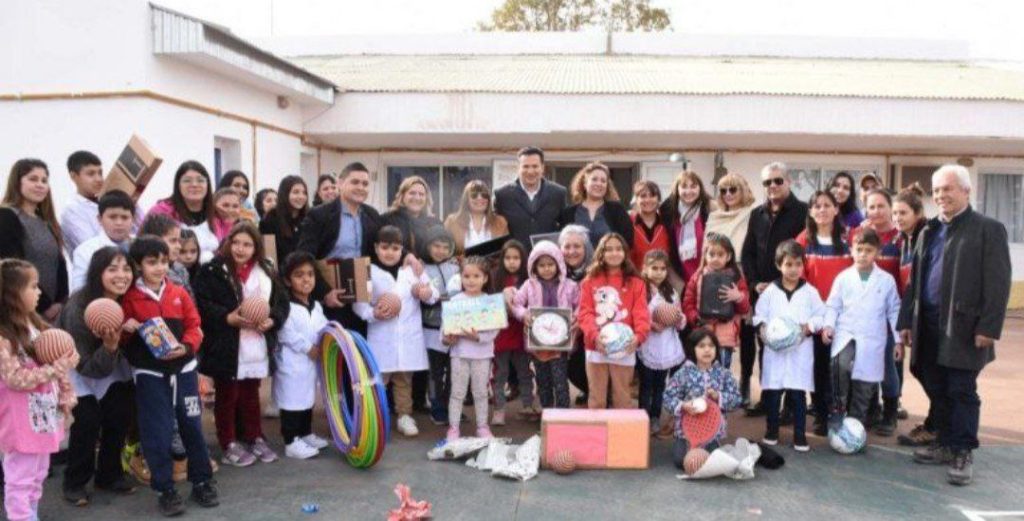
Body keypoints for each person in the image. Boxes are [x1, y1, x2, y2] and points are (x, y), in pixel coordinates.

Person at [899, 165, 1011, 486]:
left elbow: (998, 283)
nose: (941, 196)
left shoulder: (988, 229)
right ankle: (946, 443)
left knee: (961, 389)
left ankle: (962, 450)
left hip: (964, 327)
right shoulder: (928, 230)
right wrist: (906, 320)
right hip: (928, 325)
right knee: (935, 384)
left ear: (966, 191)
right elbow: (914, 282)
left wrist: (989, 328)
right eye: (936, 191)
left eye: (947, 188)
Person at [120, 236, 218, 516]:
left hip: (184, 370)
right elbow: (123, 342)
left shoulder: (178, 292)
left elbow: (195, 326)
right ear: (138, 264)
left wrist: (185, 347)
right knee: (157, 433)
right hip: (150, 374)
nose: (159, 267)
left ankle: (202, 481)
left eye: (164, 261)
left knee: (192, 427)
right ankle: (165, 489)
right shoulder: (130, 298)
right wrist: (126, 329)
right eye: (152, 262)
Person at [193, 222, 288, 467]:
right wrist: (227, 317)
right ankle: (228, 442)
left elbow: (281, 303)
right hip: (227, 345)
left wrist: (272, 320)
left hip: (256, 343)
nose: (240, 248)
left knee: (250, 393)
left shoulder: (266, 270)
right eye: (235, 242)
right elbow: (202, 303)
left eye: (247, 244)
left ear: (255, 247)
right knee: (227, 395)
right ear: (227, 243)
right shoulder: (213, 270)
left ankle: (254, 436)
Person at [0, 259, 78, 521]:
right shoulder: (3, 336)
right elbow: (14, 379)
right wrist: (57, 368)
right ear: (11, 294)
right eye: (32, 286)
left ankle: (30, 514)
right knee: (20, 478)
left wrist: (66, 394)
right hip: (20, 419)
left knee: (38, 473)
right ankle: (21, 517)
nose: (39, 292)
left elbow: (57, 362)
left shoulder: (36, 325)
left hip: (43, 415)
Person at [59, 247, 136, 505]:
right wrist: (111, 346)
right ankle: (75, 482)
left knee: (119, 414)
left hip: (112, 367)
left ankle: (109, 474)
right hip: (79, 369)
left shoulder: (129, 299)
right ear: (97, 272)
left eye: (126, 268)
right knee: (87, 422)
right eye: (112, 269)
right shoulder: (78, 306)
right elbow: (87, 366)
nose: (121, 275)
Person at [353, 226, 437, 437]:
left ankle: (404, 416)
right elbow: (359, 304)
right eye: (384, 247)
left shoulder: (412, 271)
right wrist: (374, 314)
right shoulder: (367, 271)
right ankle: (374, 416)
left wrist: (425, 292)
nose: (390, 252)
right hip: (382, 337)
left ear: (402, 249)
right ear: (376, 247)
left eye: (395, 248)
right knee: (377, 378)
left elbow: (433, 293)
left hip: (408, 337)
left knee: (404, 380)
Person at [741, 161, 809, 415]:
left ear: (789, 182)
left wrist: (785, 282)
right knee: (766, 347)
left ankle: (791, 406)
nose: (772, 186)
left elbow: (804, 254)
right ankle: (768, 400)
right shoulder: (756, 214)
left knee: (793, 346)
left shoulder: (803, 212)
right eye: (767, 182)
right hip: (763, 294)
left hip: (792, 292)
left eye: (778, 181)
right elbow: (747, 253)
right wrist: (754, 283)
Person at [822, 229, 901, 433]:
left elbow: (894, 310)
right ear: (851, 251)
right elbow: (833, 305)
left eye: (868, 250)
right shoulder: (843, 278)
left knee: (865, 383)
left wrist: (899, 340)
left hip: (872, 338)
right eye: (859, 249)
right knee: (839, 367)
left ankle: (856, 424)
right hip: (846, 334)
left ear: (877, 252)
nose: (863, 254)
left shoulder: (886, 280)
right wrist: (828, 325)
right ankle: (838, 411)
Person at [753, 240, 825, 452]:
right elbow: (759, 316)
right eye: (788, 264)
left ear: (803, 265)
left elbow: (821, 315)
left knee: (797, 394)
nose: (793, 269)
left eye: (797, 264)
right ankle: (772, 431)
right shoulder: (770, 291)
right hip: (775, 352)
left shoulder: (810, 292)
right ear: (779, 265)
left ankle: (800, 435)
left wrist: (807, 328)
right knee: (774, 393)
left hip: (800, 350)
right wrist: (764, 331)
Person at [296, 163, 384, 335]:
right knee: (332, 357)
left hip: (363, 300)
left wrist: (408, 257)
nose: (361, 187)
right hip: (331, 300)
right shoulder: (319, 215)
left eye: (365, 184)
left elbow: (383, 249)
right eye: (355, 182)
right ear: (341, 183)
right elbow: (303, 257)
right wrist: (324, 293)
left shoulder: (372, 215)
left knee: (358, 356)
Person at [795, 191, 853, 435]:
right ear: (810, 211)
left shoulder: (849, 238)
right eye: (817, 206)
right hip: (817, 316)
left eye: (827, 205)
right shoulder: (804, 240)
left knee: (841, 367)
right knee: (818, 366)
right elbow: (799, 276)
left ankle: (842, 412)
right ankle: (820, 413)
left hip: (845, 315)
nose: (822, 210)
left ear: (836, 209)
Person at [578, 233, 650, 409]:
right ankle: (596, 436)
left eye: (618, 249)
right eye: (608, 249)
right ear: (600, 253)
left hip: (625, 347)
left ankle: (621, 436)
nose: (614, 253)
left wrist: (639, 336)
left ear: (625, 252)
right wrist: (595, 336)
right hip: (596, 347)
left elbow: (641, 313)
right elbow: (585, 313)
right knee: (597, 398)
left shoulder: (636, 283)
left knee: (622, 397)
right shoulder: (589, 281)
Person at [851, 188, 902, 432]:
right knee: (864, 363)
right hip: (863, 315)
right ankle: (871, 409)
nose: (876, 211)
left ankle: (891, 411)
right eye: (871, 207)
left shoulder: (899, 237)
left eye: (881, 206)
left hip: (889, 312)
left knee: (887, 365)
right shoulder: (860, 235)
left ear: (890, 208)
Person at [273, 252, 331, 460]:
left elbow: (324, 327)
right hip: (292, 363)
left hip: (310, 364)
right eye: (299, 275)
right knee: (292, 402)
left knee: (307, 400)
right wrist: (308, 348)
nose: (306, 279)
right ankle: (291, 441)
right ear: (288, 280)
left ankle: (305, 433)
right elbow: (285, 332)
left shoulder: (316, 306)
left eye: (310, 274)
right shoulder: (285, 305)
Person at [511, 240, 580, 412]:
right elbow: (515, 304)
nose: (547, 268)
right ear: (534, 267)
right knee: (543, 381)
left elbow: (581, 305)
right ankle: (547, 414)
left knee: (560, 380)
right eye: (542, 265)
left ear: (559, 265)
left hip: (560, 345)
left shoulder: (570, 286)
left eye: (551, 264)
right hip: (538, 345)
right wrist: (523, 314)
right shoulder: (529, 285)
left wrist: (575, 317)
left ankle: (563, 415)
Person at [0, 159, 68, 322]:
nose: (40, 185)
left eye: (44, 181)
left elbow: (59, 265)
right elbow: (13, 267)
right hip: (20, 312)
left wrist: (60, 302)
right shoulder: (7, 216)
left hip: (52, 314)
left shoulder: (47, 222)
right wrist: (45, 305)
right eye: (33, 179)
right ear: (17, 183)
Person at [663, 329, 741, 470]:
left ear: (716, 349)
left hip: (712, 432)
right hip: (686, 431)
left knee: (710, 461)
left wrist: (719, 397)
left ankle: (712, 447)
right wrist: (683, 405)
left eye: (711, 346)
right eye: (701, 346)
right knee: (681, 461)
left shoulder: (724, 374)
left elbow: (737, 399)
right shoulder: (683, 373)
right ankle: (683, 445)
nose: (707, 350)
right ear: (692, 349)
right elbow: (668, 397)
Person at [892, 184, 933, 447]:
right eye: (895, 213)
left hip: (928, 316)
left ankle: (937, 426)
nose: (897, 218)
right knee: (920, 369)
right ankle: (936, 422)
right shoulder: (905, 239)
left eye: (903, 213)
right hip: (915, 315)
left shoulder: (925, 235)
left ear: (918, 212)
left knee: (928, 371)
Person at [443, 257, 499, 442]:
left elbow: (494, 331)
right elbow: (445, 330)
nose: (471, 280)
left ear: (485, 278)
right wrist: (447, 338)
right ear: (461, 277)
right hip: (459, 354)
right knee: (457, 392)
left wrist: (478, 337)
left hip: (482, 356)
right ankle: (453, 428)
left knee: (481, 392)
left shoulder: (490, 302)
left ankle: (482, 427)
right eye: (466, 276)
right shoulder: (455, 301)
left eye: (476, 276)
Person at [682, 233, 750, 369]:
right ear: (705, 255)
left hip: (724, 338)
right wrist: (697, 319)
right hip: (702, 335)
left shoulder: (735, 278)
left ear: (728, 256)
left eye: (720, 255)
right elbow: (688, 303)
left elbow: (745, 308)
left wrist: (738, 297)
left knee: (721, 373)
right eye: (711, 254)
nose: (715, 259)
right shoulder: (698, 276)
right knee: (700, 374)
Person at [637, 250, 685, 431]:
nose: (658, 272)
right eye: (654, 268)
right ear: (645, 268)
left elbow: (678, 314)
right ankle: (642, 417)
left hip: (666, 345)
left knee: (660, 385)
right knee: (646, 384)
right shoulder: (641, 290)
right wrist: (650, 324)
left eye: (662, 268)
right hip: (647, 344)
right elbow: (638, 314)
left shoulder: (671, 292)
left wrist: (677, 319)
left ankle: (655, 416)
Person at [420, 226, 463, 426]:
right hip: (431, 328)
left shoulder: (456, 267)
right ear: (427, 246)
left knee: (454, 371)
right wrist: (442, 299)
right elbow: (423, 297)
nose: (441, 251)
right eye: (436, 246)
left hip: (455, 329)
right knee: (435, 373)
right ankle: (437, 407)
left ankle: (452, 408)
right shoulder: (420, 268)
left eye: (446, 247)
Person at [60, 150, 142, 253]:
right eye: (91, 174)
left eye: (100, 173)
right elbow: (92, 249)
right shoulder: (71, 211)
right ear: (74, 176)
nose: (98, 179)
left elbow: (142, 232)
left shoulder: (111, 200)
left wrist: (133, 203)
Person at [493, 240, 536, 424]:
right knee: (500, 373)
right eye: (508, 258)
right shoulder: (495, 278)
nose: (512, 262)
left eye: (516, 258)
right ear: (502, 259)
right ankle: (498, 410)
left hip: (521, 334)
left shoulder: (530, 280)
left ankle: (528, 405)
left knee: (524, 372)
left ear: (523, 259)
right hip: (501, 335)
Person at [146, 161, 221, 264]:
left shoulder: (217, 213)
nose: (194, 185)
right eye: (187, 181)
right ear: (178, 185)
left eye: (200, 180)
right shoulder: (161, 211)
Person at [494, 147, 567, 252]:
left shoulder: (558, 193)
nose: (530, 171)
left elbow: (564, 229)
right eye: (525, 166)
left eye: (535, 166)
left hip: (546, 260)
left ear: (542, 167)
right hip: (515, 261)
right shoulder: (503, 195)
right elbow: (497, 230)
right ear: (518, 168)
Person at [71, 190, 135, 292]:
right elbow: (78, 292)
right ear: (100, 219)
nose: (119, 223)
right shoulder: (85, 251)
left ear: (133, 219)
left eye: (124, 217)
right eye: (112, 217)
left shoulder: (141, 245)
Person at [559, 162, 634, 247]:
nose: (599, 184)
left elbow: (628, 242)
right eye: (594, 179)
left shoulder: (617, 210)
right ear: (584, 183)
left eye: (603, 181)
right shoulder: (568, 213)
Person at [559, 225, 594, 405]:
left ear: (586, 248)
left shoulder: (595, 271)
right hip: (565, 331)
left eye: (577, 246)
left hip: (591, 331)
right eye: (567, 246)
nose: (572, 251)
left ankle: (597, 392)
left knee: (586, 366)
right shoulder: (554, 271)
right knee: (571, 370)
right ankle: (589, 389)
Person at [660, 170, 712, 285]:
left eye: (693, 186)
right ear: (677, 189)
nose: (688, 191)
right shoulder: (668, 211)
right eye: (684, 187)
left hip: (707, 271)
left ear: (700, 188)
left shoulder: (710, 209)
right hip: (678, 273)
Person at [444, 180, 509, 256]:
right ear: (466, 199)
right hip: (461, 267)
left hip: (493, 267)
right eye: (474, 195)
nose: (479, 198)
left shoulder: (501, 222)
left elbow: (506, 252)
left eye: (484, 195)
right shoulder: (452, 222)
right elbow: (445, 251)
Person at [259, 176, 308, 265]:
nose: (301, 196)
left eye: (304, 193)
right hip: (280, 272)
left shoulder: (309, 219)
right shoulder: (270, 220)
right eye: (296, 192)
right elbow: (269, 255)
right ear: (285, 194)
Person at [140, 214, 190, 295]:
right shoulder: (146, 272)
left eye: (179, 241)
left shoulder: (180, 269)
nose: (179, 246)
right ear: (154, 241)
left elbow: (190, 301)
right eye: (173, 241)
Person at [629, 180, 671, 270]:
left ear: (658, 199)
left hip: (662, 279)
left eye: (652, 196)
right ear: (636, 199)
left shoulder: (667, 223)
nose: (648, 200)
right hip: (634, 280)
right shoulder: (627, 222)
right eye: (643, 196)